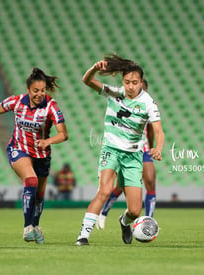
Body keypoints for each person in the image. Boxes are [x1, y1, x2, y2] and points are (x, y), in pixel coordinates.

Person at [75, 54, 164, 246]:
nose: (130, 86)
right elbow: (87, 80)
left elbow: (158, 130)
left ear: (141, 82)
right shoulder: (114, 93)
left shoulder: (148, 103)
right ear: (122, 81)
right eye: (127, 82)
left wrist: (158, 147)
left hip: (133, 157)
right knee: (104, 191)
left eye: (135, 82)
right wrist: (94, 68)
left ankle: (124, 222)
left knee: (134, 211)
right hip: (111, 149)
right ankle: (83, 236)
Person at [0, 68, 68, 244]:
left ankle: (35, 225)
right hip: (19, 149)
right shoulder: (17, 102)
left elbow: (64, 134)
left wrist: (48, 141)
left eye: (42, 90)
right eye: (36, 91)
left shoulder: (51, 106)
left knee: (40, 194)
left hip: (42, 154)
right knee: (31, 181)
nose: (40, 94)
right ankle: (27, 228)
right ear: (28, 89)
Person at [96, 79, 157, 230]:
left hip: (142, 149)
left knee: (150, 181)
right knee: (119, 187)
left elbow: (151, 130)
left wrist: (152, 148)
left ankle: (148, 221)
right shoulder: (122, 100)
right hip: (122, 148)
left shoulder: (147, 104)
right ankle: (104, 212)